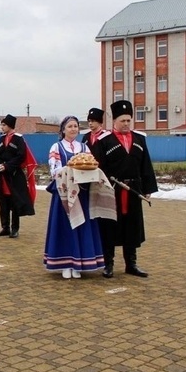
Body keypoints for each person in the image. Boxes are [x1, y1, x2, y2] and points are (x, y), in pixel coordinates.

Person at [91, 100, 158, 279]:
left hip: (134, 189)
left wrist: (147, 187)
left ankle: (131, 264)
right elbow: (97, 166)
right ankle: (108, 264)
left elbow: (146, 165)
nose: (126, 124)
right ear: (115, 121)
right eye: (123, 121)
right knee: (110, 227)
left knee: (132, 227)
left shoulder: (139, 139)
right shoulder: (104, 141)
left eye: (129, 120)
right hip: (112, 189)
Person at [43, 115, 116, 279]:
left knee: (81, 225)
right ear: (63, 130)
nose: (73, 129)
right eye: (70, 126)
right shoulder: (57, 147)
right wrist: (70, 172)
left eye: (75, 126)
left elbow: (92, 165)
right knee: (65, 227)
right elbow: (54, 170)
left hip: (82, 193)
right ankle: (64, 264)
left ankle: (79, 263)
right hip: (63, 194)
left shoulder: (84, 147)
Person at [0, 114, 36, 238]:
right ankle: (5, 227)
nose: (2, 127)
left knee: (15, 202)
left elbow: (21, 156)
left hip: (15, 176)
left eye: (4, 125)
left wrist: (7, 166)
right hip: (3, 177)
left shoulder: (18, 139)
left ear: (10, 125)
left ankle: (14, 229)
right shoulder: (1, 139)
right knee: (3, 202)